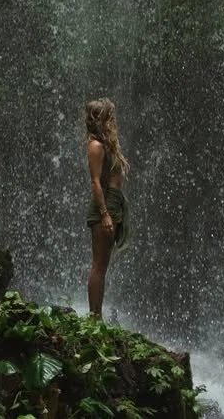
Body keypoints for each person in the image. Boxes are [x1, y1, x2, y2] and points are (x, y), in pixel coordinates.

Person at [85, 96, 129, 317]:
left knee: (103, 266)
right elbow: (95, 181)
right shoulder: (95, 146)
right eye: (110, 118)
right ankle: (95, 317)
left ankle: (96, 315)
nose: (114, 122)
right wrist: (105, 214)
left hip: (113, 202)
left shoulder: (106, 145)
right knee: (99, 266)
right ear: (100, 120)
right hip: (105, 206)